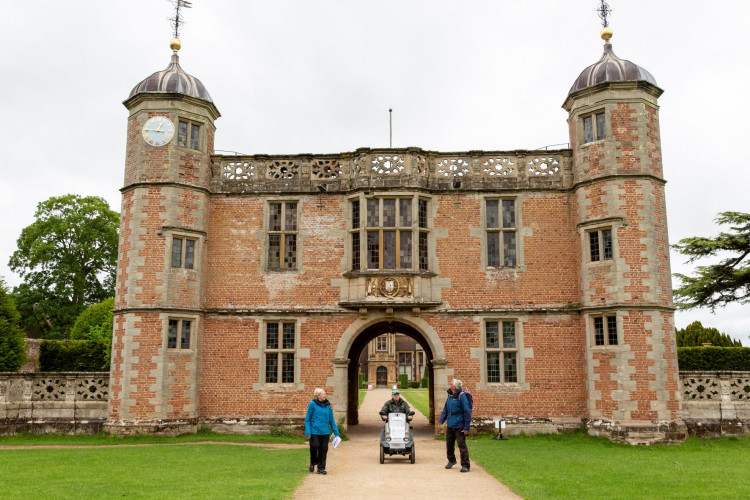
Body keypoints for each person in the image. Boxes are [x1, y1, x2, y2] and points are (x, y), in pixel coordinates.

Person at [438, 379, 471, 472]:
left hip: (459, 424)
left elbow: (467, 411)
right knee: (449, 443)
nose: (450, 384)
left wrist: (466, 426)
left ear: (455, 387)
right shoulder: (449, 395)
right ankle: (451, 460)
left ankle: (465, 465)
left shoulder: (462, 396)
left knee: (461, 444)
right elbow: (446, 409)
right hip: (450, 424)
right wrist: (441, 420)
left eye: (451, 383)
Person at [304, 388, 340, 475]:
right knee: (314, 446)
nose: (325, 395)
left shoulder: (328, 406)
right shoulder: (312, 404)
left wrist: (336, 433)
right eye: (323, 394)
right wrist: (308, 433)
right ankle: (313, 462)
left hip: (325, 432)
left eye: (325, 394)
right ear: (318, 395)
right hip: (314, 431)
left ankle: (321, 468)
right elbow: (307, 419)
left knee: (324, 449)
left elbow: (331, 420)